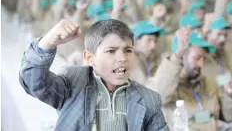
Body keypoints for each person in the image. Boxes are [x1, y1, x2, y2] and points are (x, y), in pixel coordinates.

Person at [19, 19, 169, 131]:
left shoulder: (148, 99)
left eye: (128, 50)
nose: (122, 58)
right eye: (111, 51)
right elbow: (32, 81)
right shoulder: (74, 83)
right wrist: (48, 42)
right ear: (90, 58)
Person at [145, 28, 225, 131]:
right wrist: (176, 57)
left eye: (203, 59)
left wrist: (229, 94)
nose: (201, 64)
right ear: (182, 57)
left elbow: (225, 116)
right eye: (197, 58)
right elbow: (160, 95)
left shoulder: (207, 82)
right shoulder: (164, 84)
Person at [130, 20, 166, 85]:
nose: (153, 46)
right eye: (149, 40)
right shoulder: (131, 61)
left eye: (155, 41)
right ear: (136, 40)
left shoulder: (152, 59)